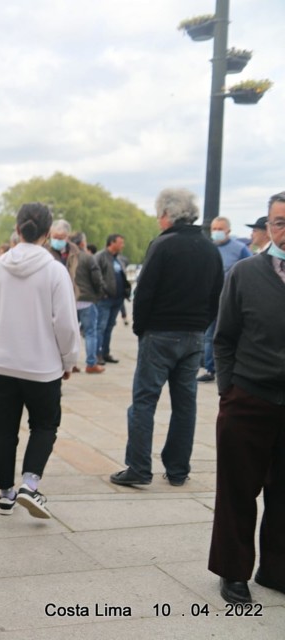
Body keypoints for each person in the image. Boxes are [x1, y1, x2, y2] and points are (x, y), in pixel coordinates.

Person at [110, 188, 224, 488]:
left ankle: (139, 466)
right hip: (194, 335)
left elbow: (144, 292)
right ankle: (177, 469)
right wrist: (201, 324)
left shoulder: (163, 246)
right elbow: (216, 295)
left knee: (144, 401)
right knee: (185, 404)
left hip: (160, 333)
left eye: (160, 214)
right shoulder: (210, 248)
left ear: (168, 215)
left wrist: (140, 328)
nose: (158, 220)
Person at [0, 203, 79, 519]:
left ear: (18, 229)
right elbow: (65, 323)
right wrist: (68, 359)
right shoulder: (54, 271)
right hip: (42, 365)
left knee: (4, 428)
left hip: (1, 363)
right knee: (45, 424)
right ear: (48, 234)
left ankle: (6, 493)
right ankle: (30, 484)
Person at [207, 191, 285, 605]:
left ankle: (276, 570)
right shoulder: (245, 273)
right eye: (279, 222)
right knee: (237, 490)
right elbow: (224, 338)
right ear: (267, 228)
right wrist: (229, 391)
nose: (284, 231)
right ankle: (233, 572)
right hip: (249, 397)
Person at [197, 216, 251, 383]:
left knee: (228, 334)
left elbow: (249, 272)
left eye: (220, 229)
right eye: (214, 229)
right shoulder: (208, 249)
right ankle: (209, 368)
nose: (217, 232)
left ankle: (229, 367)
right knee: (209, 335)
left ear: (228, 230)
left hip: (231, 301)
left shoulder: (240, 249)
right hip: (211, 300)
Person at [71, 232, 108, 374]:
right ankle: (91, 363)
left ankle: (71, 363)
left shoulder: (68, 258)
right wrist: (99, 293)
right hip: (87, 300)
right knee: (91, 332)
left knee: (72, 333)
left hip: (71, 299)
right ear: (82, 243)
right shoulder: (88, 258)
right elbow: (97, 278)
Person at [95, 234, 129, 365]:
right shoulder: (100, 257)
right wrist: (102, 291)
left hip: (118, 299)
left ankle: (105, 353)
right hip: (105, 299)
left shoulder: (119, 259)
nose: (122, 245)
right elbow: (96, 276)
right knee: (101, 327)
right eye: (120, 243)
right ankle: (97, 354)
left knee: (109, 327)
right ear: (112, 243)